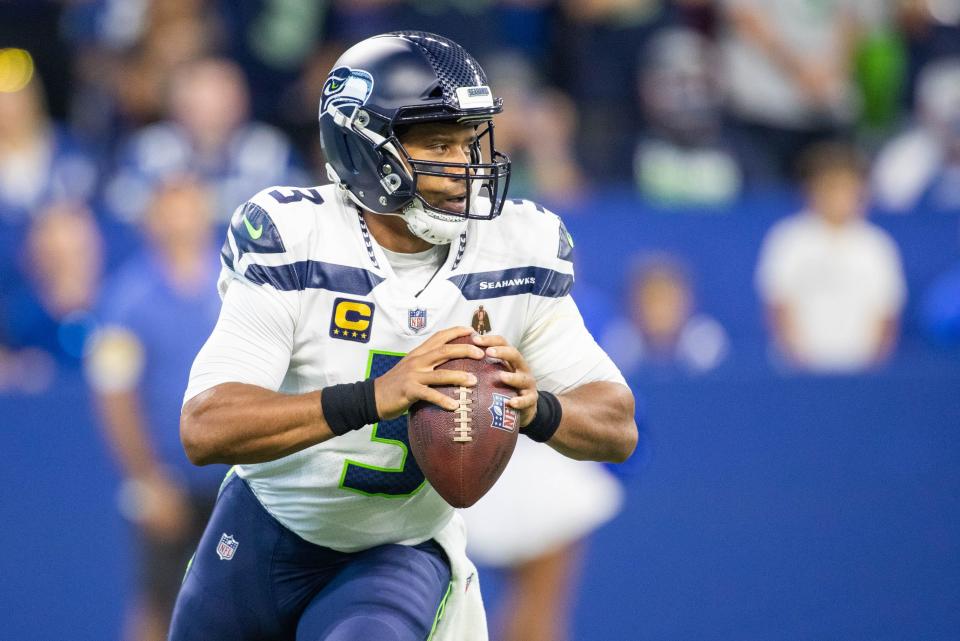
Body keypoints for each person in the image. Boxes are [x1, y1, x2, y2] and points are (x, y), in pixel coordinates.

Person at [169, 31, 637, 641]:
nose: (464, 167)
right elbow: (206, 428)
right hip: (266, 528)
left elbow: (617, 423)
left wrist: (538, 409)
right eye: (438, 144)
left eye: (470, 143)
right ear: (366, 149)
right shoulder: (298, 235)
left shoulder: (517, 248)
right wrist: (372, 397)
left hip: (398, 550)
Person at [85, 176, 225, 641]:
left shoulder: (236, 282)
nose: (180, 219)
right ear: (152, 222)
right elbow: (114, 396)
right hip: (172, 485)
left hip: (239, 482)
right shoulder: (126, 299)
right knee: (157, 604)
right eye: (169, 208)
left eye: (188, 206)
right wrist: (146, 481)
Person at [755, 142, 907, 372]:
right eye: (832, 187)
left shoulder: (876, 245)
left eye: (848, 188)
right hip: (799, 372)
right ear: (813, 190)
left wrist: (872, 368)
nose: (840, 197)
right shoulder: (790, 239)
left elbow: (886, 314)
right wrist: (801, 363)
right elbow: (779, 306)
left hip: (862, 372)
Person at [602, 253, 730, 378]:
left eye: (668, 301)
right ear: (632, 305)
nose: (659, 310)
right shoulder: (616, 349)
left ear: (688, 302)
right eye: (651, 301)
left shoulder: (707, 347)